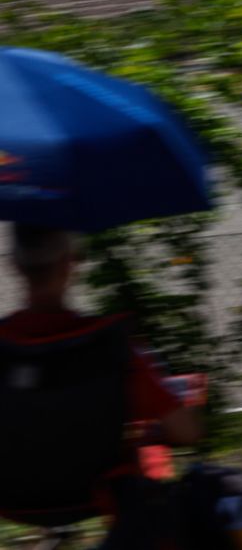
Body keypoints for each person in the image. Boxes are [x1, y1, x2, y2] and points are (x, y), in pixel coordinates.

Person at [1, 223, 201, 546]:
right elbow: (187, 431)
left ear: (14, 266)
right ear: (71, 263)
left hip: (10, 499)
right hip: (100, 493)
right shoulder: (112, 347)